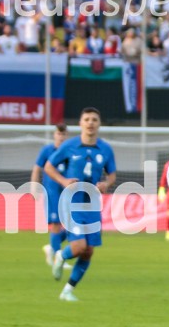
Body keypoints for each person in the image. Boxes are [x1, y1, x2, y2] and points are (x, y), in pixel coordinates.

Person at [44, 108, 117, 302]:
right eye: (87, 119)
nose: (90, 123)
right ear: (80, 123)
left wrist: (106, 184)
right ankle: (60, 255)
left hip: (92, 205)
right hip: (71, 203)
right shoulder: (70, 146)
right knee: (78, 247)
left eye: (94, 119)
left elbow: (112, 174)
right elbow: (48, 166)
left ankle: (67, 291)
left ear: (99, 124)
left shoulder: (106, 149)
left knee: (89, 251)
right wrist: (63, 181)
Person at [31, 123, 69, 267]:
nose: (61, 137)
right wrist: (34, 187)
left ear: (67, 136)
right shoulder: (47, 150)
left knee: (74, 225)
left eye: (64, 134)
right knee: (56, 224)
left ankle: (52, 247)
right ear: (54, 135)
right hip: (51, 191)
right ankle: (58, 258)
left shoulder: (70, 152)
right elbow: (36, 168)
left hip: (67, 192)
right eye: (59, 134)